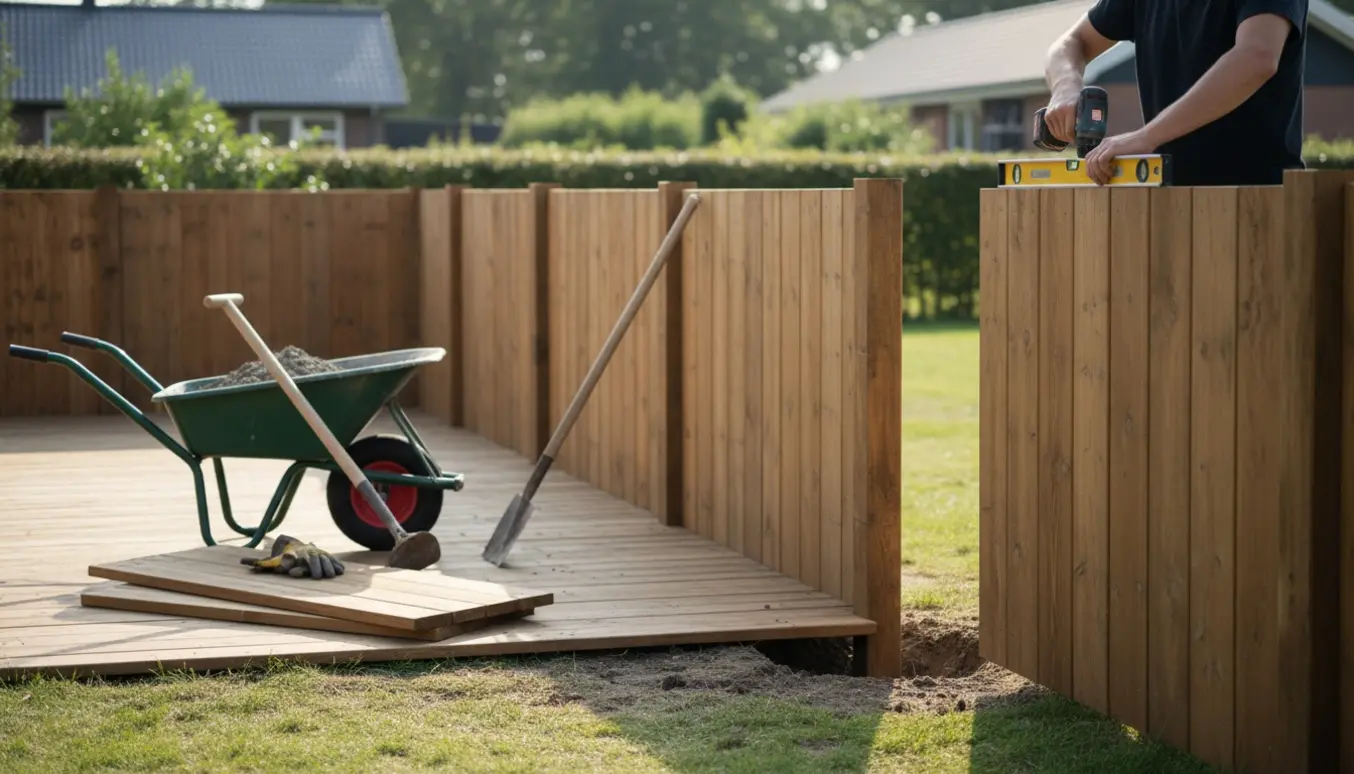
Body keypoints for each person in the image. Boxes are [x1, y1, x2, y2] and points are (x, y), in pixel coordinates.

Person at [1042, 0, 1309, 186]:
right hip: (1170, 199)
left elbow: (1257, 57)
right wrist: (1065, 87)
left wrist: (1147, 138)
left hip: (1259, 200)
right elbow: (1069, 44)